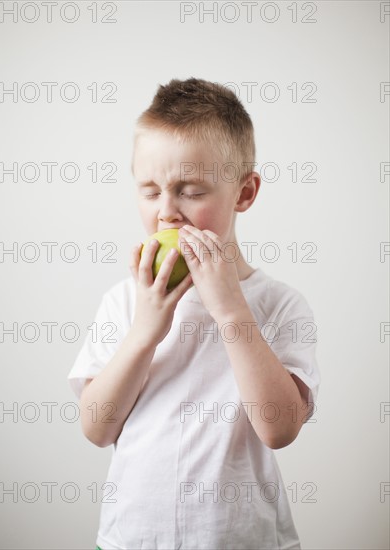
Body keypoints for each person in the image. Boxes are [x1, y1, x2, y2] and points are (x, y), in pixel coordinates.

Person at [68, 77, 321, 550]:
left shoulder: (280, 304)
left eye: (190, 190)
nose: (167, 212)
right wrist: (145, 331)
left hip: (243, 540)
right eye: (150, 191)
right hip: (131, 539)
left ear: (244, 194)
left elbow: (280, 428)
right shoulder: (124, 302)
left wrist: (229, 309)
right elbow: (97, 428)